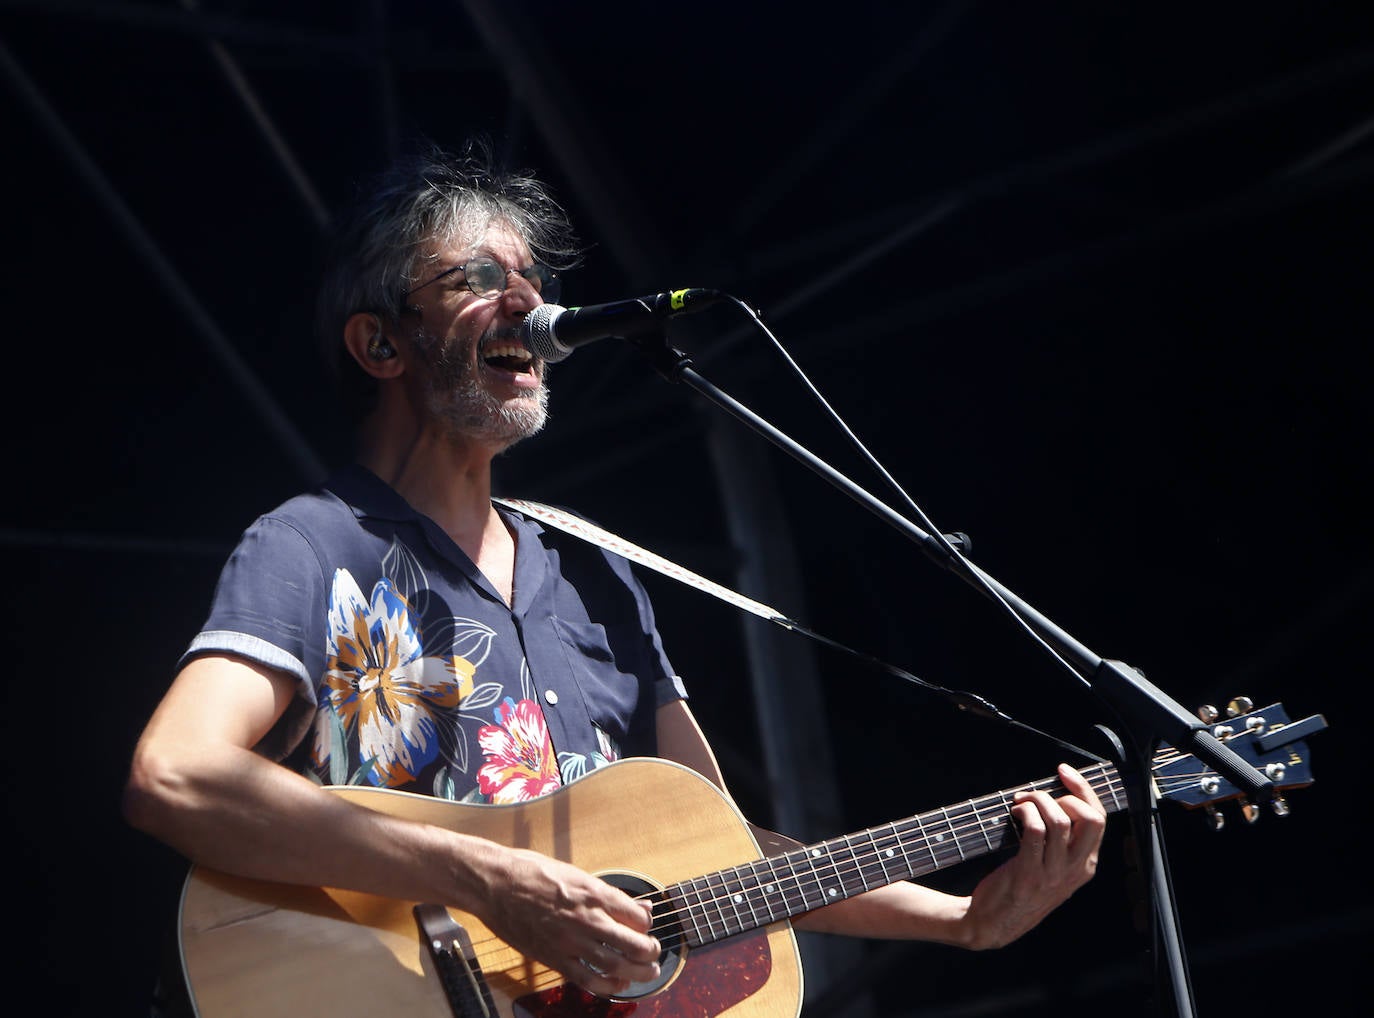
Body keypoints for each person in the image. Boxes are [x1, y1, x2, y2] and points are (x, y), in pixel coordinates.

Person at [122, 137, 1107, 1015]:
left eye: (534, 277)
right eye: (480, 277)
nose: (530, 302)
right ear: (381, 343)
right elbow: (175, 774)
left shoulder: (596, 579)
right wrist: (490, 879)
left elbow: (721, 852)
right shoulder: (314, 545)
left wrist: (960, 921)